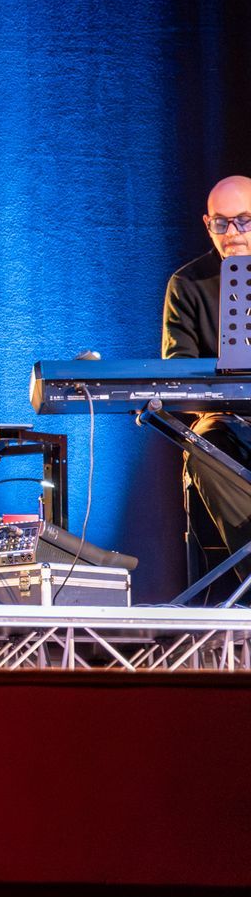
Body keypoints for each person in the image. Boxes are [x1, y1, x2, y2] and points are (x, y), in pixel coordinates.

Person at [163, 173, 251, 595]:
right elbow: (178, 375)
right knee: (203, 449)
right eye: (222, 223)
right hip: (228, 422)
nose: (232, 233)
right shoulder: (188, 284)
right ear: (207, 224)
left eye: (244, 221)